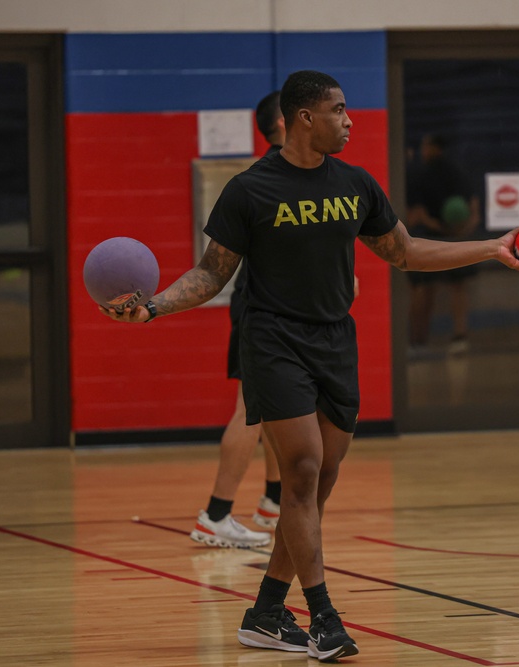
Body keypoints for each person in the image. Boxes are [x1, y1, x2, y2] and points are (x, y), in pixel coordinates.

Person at [101, 70, 519, 662]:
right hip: (273, 342)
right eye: (339, 110)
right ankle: (325, 619)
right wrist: (153, 308)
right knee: (303, 470)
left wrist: (493, 248)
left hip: (336, 342)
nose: (350, 120)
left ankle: (264, 612)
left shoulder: (355, 183)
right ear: (304, 118)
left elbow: (406, 252)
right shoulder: (249, 190)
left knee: (319, 483)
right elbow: (211, 273)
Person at [189, 90, 285, 549]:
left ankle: (273, 503)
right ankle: (216, 515)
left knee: (279, 409)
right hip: (262, 308)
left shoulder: (301, 171)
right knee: (250, 410)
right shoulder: (265, 179)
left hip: (286, 309)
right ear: (289, 122)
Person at [405, 133, 481, 352]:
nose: (422, 151)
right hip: (456, 237)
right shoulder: (458, 172)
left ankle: (418, 340)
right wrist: (460, 231)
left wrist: (437, 228)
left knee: (423, 289)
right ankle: (460, 336)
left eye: (425, 146)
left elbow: (416, 215)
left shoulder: (420, 174)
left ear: (433, 148)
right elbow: (474, 209)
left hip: (428, 237)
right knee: (457, 287)